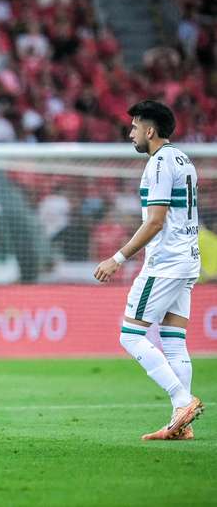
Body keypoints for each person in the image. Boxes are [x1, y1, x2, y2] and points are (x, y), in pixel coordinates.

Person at [93, 100, 203, 440]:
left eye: (135, 127)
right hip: (187, 259)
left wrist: (118, 258)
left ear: (150, 130)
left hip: (165, 263)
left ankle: (182, 400)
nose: (131, 134)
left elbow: (155, 222)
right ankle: (178, 423)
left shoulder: (158, 164)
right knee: (173, 339)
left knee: (130, 335)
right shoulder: (184, 159)